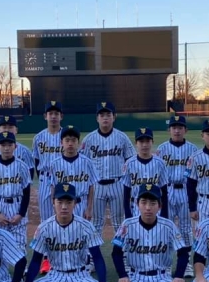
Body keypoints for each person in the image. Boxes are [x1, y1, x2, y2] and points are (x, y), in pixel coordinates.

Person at [20, 183, 111, 282]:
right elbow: (36, 260)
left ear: (75, 203)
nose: (64, 206)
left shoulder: (86, 226)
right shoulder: (44, 228)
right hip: (54, 276)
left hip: (80, 276)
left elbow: (98, 258)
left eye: (68, 202)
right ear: (53, 202)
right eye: (60, 201)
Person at [110, 184, 192, 282]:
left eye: (153, 203)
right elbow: (116, 253)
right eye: (144, 202)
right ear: (137, 204)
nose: (148, 207)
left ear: (159, 206)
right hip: (135, 277)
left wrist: (178, 276)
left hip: (162, 278)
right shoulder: (127, 224)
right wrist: (123, 275)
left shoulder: (169, 225)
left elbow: (183, 253)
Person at [80, 102, 135, 237]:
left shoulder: (122, 137)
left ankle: (120, 249)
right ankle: (94, 251)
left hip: (117, 184)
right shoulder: (89, 139)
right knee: (96, 223)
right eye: (102, 115)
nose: (105, 118)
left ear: (114, 117)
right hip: (97, 186)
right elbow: (81, 163)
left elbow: (131, 160)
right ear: (97, 118)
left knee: (119, 222)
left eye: (108, 115)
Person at [156, 115, 198, 278]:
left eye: (180, 127)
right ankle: (166, 265)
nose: (177, 130)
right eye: (174, 127)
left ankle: (186, 264)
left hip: (186, 190)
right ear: (169, 130)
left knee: (186, 229)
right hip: (166, 190)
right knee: (165, 228)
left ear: (185, 130)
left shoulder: (193, 149)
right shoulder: (161, 149)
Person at [0, 131, 32, 251]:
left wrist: (21, 214)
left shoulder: (23, 166)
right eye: (3, 145)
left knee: (19, 248)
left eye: (10, 145)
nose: (6, 148)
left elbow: (26, 193)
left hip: (17, 206)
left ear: (15, 146)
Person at [32, 101, 64, 274]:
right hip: (45, 180)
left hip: (64, 180)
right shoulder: (38, 138)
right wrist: (44, 179)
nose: (53, 116)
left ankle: (66, 255)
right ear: (45, 116)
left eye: (56, 113)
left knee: (66, 218)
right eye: (50, 113)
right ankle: (47, 258)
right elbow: (36, 162)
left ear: (61, 116)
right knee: (46, 221)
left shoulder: (66, 135)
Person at [48, 125, 97, 220]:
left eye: (74, 140)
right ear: (61, 142)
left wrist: (89, 208)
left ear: (79, 143)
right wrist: (55, 208)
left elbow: (91, 187)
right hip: (63, 206)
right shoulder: (54, 164)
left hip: (82, 204)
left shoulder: (87, 162)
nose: (70, 144)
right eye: (67, 140)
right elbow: (53, 188)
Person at [122, 127, 169, 219]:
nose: (144, 145)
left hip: (155, 207)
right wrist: (127, 215)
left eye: (147, 141)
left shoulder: (160, 163)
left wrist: (164, 214)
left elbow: (164, 191)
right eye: (141, 141)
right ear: (136, 143)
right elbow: (126, 193)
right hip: (135, 208)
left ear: (152, 142)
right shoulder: (129, 164)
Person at [0, 115, 35, 180]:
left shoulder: (25, 151)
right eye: (4, 127)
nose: (7, 130)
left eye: (10, 127)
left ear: (16, 130)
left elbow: (30, 171)